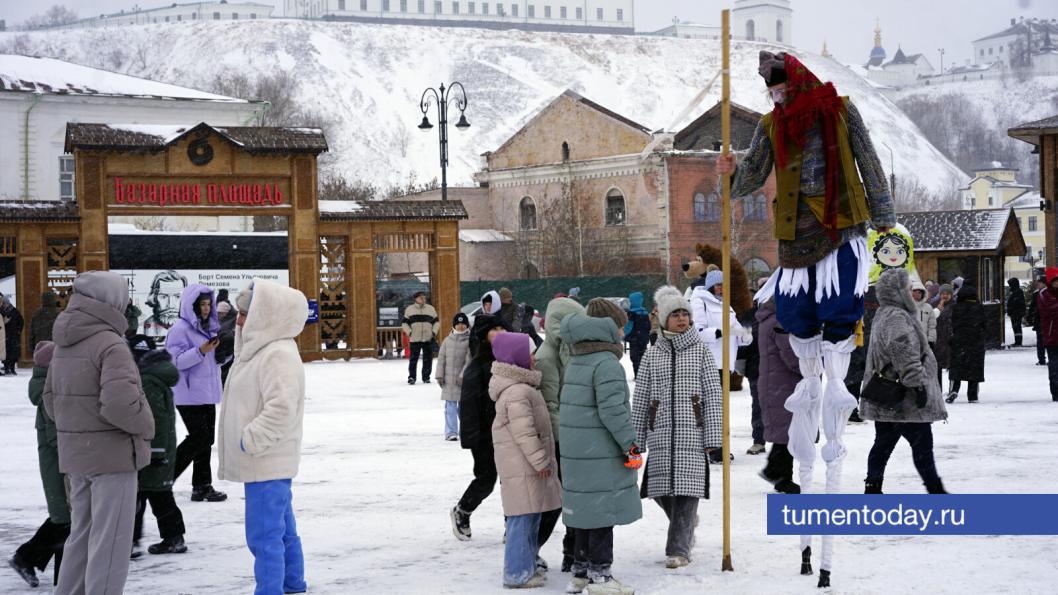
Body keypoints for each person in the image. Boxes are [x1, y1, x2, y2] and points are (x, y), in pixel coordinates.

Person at [716, 50, 895, 588]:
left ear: (795, 83)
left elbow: (869, 162)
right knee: (793, 316)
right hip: (795, 241)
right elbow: (750, 177)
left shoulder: (838, 109)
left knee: (840, 312)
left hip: (841, 227)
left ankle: (838, 389)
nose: (773, 98)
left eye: (778, 90)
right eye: (768, 93)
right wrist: (727, 174)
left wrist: (884, 222)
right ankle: (811, 394)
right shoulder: (771, 126)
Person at [43, 271, 155, 595]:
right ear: (113, 301)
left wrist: (78, 428)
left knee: (81, 536)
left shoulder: (65, 341)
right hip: (113, 459)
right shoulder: (110, 344)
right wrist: (148, 424)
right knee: (110, 546)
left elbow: (50, 400)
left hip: (78, 457)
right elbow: (121, 406)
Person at [217, 280, 309, 595]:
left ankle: (270, 590)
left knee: (264, 535)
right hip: (266, 460)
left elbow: (281, 408)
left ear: (266, 315)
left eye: (245, 314)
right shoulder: (264, 350)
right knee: (280, 530)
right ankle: (292, 583)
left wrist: (251, 440)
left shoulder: (276, 354)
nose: (239, 321)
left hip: (265, 458)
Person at [631, 286, 721, 569]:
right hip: (660, 433)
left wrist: (713, 435)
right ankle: (685, 526)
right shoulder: (651, 355)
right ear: (665, 319)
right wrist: (637, 439)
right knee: (658, 490)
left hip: (692, 432)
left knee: (686, 492)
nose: (682, 319)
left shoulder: (701, 352)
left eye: (686, 314)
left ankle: (678, 549)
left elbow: (713, 395)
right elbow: (641, 398)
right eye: (676, 314)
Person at [559, 299, 640, 595]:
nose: (623, 332)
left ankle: (580, 571)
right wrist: (631, 446)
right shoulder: (606, 363)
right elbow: (614, 412)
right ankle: (600, 576)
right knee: (602, 513)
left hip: (579, 452)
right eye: (620, 326)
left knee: (584, 512)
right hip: (600, 452)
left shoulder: (578, 359)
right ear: (608, 328)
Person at [859, 269, 948, 494]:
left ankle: (872, 487)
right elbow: (903, 352)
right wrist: (916, 385)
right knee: (922, 444)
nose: (911, 291)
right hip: (904, 397)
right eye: (907, 288)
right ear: (897, 291)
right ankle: (936, 491)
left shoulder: (885, 313)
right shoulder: (896, 317)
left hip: (889, 395)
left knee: (884, 443)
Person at [489, 332, 562, 589]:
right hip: (523, 467)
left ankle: (526, 565)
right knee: (521, 520)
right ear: (516, 357)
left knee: (529, 518)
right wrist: (541, 461)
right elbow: (525, 434)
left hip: (523, 467)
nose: (534, 358)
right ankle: (516, 572)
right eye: (530, 353)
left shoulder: (521, 387)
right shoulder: (518, 392)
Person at [7, 341, 69, 588]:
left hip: (57, 465)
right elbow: (57, 439)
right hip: (59, 465)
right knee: (66, 521)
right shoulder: (49, 392)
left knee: (64, 519)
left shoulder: (48, 386)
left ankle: (27, 558)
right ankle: (64, 581)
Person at [534, 297, 585, 571]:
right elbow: (549, 406)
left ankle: (572, 551)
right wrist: (565, 438)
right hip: (559, 441)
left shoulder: (570, 352)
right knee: (554, 502)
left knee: (574, 500)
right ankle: (529, 548)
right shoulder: (546, 358)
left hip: (573, 437)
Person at [451, 312, 511, 541]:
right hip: (485, 434)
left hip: (509, 431)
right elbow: (468, 404)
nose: (499, 333)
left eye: (502, 328)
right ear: (484, 335)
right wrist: (471, 436)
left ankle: (512, 524)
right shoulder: (478, 364)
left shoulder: (511, 359)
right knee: (486, 479)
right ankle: (463, 510)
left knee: (511, 480)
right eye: (493, 329)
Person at [165, 284, 227, 502]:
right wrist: (201, 351)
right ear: (192, 305)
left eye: (209, 304)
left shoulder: (208, 328)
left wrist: (222, 354)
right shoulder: (179, 330)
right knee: (198, 437)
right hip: (188, 394)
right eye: (202, 304)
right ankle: (164, 478)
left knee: (205, 439)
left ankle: (202, 485)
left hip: (206, 392)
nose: (207, 308)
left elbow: (210, 361)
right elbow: (176, 362)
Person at [128, 335, 187, 556]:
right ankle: (171, 537)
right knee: (153, 493)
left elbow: (157, 422)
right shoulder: (150, 377)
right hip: (156, 449)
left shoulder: (148, 381)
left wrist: (155, 452)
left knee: (146, 494)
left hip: (153, 450)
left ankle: (134, 541)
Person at [691, 269, 752, 463]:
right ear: (710, 286)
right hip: (709, 363)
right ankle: (713, 448)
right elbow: (697, 331)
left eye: (724, 285)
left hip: (725, 363)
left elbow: (735, 334)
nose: (721, 289)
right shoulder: (700, 301)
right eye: (718, 285)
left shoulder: (726, 305)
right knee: (711, 408)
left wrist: (744, 334)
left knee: (720, 408)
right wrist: (718, 332)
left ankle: (719, 445)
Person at [756, 299, 802, 494]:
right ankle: (780, 475)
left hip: (777, 382)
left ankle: (776, 472)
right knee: (786, 432)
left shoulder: (768, 320)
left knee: (784, 431)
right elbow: (791, 356)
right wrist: (810, 366)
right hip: (782, 383)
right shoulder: (778, 323)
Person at [946, 284, 986, 404]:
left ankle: (954, 389)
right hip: (975, 342)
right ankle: (972, 395)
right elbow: (985, 325)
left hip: (959, 342)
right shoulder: (979, 308)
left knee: (957, 367)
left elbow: (952, 324)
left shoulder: (957, 307)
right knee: (974, 369)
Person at [436, 312, 472, 441]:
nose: (461, 326)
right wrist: (439, 375)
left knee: (464, 408)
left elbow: (470, 360)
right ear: (454, 326)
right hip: (449, 380)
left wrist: (463, 375)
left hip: (464, 381)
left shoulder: (470, 340)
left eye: (463, 324)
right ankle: (451, 431)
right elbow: (441, 360)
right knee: (450, 407)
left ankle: (465, 430)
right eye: (458, 324)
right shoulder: (447, 340)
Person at [740, 279, 766, 455]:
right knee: (758, 404)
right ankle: (759, 440)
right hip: (756, 368)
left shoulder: (785, 313)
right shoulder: (749, 316)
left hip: (780, 369)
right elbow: (741, 344)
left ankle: (785, 441)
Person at [401, 291, 440, 385]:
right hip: (415, 338)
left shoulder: (431, 309)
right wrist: (410, 333)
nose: (423, 299)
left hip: (428, 338)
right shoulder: (409, 309)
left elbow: (437, 322)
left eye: (424, 297)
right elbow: (404, 323)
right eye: (421, 297)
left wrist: (433, 332)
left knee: (428, 359)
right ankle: (412, 377)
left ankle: (426, 377)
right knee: (413, 359)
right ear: (416, 299)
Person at [144, 269, 188, 337]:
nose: (170, 305)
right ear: (154, 298)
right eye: (164, 297)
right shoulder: (146, 326)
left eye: (177, 297)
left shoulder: (193, 325)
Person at [1037, 268, 1058, 401]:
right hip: (1052, 337)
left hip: (1051, 335)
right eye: (1055, 281)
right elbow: (1049, 309)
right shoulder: (1044, 294)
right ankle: (1056, 392)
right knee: (1054, 366)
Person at [623, 291, 651, 379]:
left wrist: (624, 334)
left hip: (634, 339)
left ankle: (638, 375)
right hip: (643, 339)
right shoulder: (645, 312)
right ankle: (644, 375)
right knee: (643, 357)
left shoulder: (631, 313)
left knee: (635, 358)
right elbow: (648, 326)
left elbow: (629, 326)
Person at [933, 284, 954, 391]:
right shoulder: (934, 305)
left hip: (949, 339)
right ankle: (938, 389)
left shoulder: (954, 306)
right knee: (937, 366)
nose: (945, 296)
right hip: (938, 339)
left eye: (947, 294)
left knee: (952, 365)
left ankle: (952, 389)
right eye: (942, 294)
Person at [215, 297, 239, 386]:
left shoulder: (232, 322)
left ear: (226, 313)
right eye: (218, 313)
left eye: (220, 313)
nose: (219, 315)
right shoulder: (220, 321)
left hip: (229, 351)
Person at [911, 278, 937, 351]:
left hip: (925, 344)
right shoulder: (906, 307)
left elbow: (932, 326)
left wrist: (931, 340)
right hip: (909, 344)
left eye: (919, 292)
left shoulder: (928, 308)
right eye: (914, 291)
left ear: (923, 293)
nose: (917, 294)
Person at [1027, 275, 1047, 365]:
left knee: (1049, 342)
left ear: (1044, 284)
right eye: (1038, 283)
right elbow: (1032, 306)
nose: (1038, 285)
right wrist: (1030, 316)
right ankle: (1041, 359)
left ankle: (1051, 359)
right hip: (1039, 321)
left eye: (1040, 283)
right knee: (1040, 342)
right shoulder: (1036, 294)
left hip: (1048, 322)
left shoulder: (1049, 293)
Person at [2, 294, 24, 375]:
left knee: (13, 353)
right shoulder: (1, 311)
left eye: (5, 303)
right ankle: (7, 368)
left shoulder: (15, 311)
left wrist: (19, 330)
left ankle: (12, 368)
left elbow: (21, 321)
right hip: (5, 335)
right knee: (6, 353)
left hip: (13, 335)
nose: (4, 305)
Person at [1006, 278, 1027, 347]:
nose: (1009, 286)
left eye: (1010, 285)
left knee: (1017, 327)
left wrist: (1012, 309)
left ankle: (1018, 342)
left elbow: (1016, 302)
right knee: (1015, 327)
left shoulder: (1017, 292)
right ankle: (1017, 341)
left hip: (1016, 313)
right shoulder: (1015, 291)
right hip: (1015, 313)